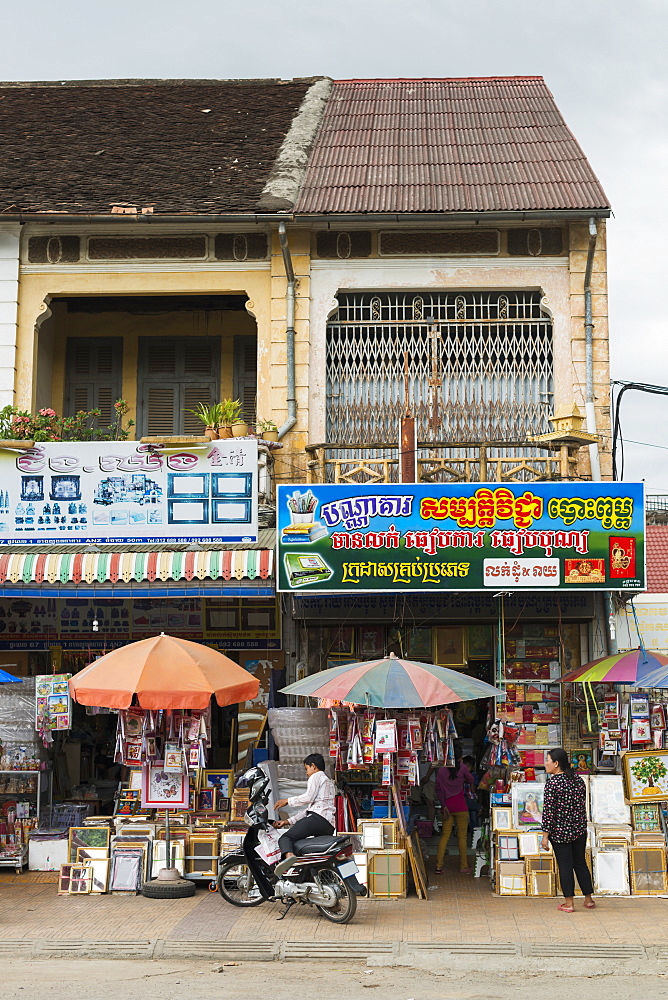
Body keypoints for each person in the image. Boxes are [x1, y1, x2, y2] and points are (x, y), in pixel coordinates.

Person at [541, 747, 595, 913]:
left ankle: (569, 903)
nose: (545, 764)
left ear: (556, 764)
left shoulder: (552, 784)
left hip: (560, 832)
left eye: (547, 761)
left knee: (565, 865)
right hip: (579, 829)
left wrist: (545, 836)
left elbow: (548, 812)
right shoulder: (578, 780)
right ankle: (588, 899)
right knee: (580, 863)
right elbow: (582, 806)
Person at [273, 753, 336, 858]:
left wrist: (287, 801)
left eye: (306, 769)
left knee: (285, 838)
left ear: (313, 766)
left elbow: (308, 798)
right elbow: (309, 810)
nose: (306, 773)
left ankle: (289, 857)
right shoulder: (328, 782)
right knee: (315, 853)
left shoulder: (316, 776)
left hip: (317, 819)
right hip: (328, 825)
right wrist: (287, 821)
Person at [435, 747, 474, 874]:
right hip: (461, 806)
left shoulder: (441, 770)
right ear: (459, 757)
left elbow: (438, 790)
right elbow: (471, 780)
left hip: (447, 806)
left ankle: (439, 865)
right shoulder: (462, 768)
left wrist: (443, 805)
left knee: (445, 835)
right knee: (462, 837)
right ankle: (463, 866)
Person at [463, 754, 479, 831]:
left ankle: (474, 834)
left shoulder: (474, 776)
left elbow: (473, 790)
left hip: (471, 798)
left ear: (472, 767)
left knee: (473, 818)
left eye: (468, 767)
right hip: (462, 798)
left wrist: (470, 780)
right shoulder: (460, 775)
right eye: (464, 767)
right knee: (462, 818)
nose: (466, 769)